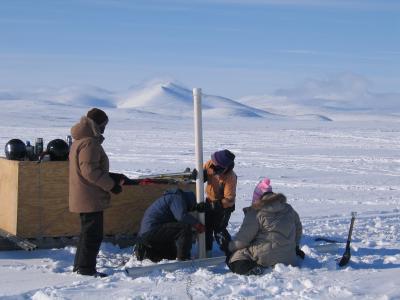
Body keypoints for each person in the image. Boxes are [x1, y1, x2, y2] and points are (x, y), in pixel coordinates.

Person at [69, 108, 124, 278]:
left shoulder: (80, 141)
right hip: (89, 197)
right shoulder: (89, 143)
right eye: (103, 125)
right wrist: (111, 185)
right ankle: (86, 269)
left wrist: (113, 177)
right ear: (97, 125)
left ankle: (80, 267)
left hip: (85, 194)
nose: (104, 129)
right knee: (92, 235)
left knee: (87, 234)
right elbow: (90, 172)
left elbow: (89, 169)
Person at [218, 190, 304, 276]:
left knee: (235, 257)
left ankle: (251, 268)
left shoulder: (256, 212)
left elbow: (242, 240)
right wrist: (295, 247)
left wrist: (229, 248)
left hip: (266, 256)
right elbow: (298, 229)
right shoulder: (289, 209)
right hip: (289, 257)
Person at [135, 188, 206, 262]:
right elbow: (181, 216)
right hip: (152, 229)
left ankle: (146, 252)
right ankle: (183, 259)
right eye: (190, 207)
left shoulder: (170, 198)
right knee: (184, 228)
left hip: (148, 234)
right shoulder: (177, 198)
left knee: (171, 255)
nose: (189, 210)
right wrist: (197, 224)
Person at [203, 149, 237, 256]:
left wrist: (214, 205)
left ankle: (231, 253)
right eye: (213, 162)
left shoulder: (230, 177)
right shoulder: (210, 163)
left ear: (224, 167)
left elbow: (229, 199)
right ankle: (207, 251)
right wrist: (201, 174)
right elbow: (202, 171)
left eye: (216, 164)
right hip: (209, 200)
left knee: (219, 229)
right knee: (206, 226)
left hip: (224, 207)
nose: (213, 164)